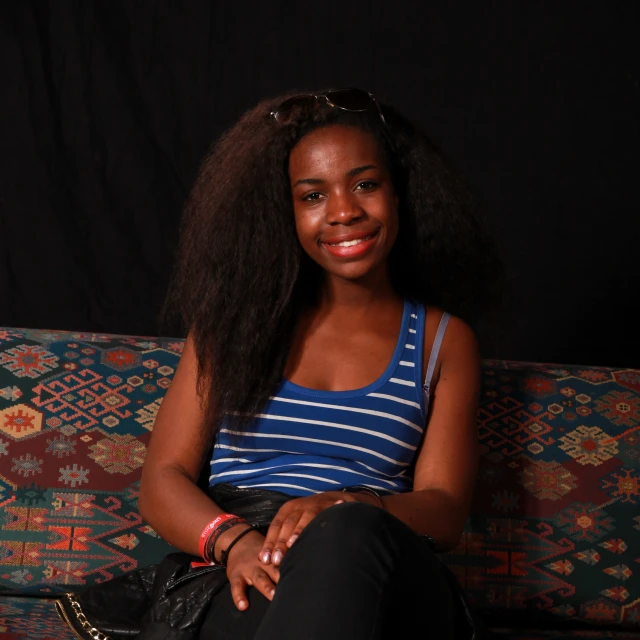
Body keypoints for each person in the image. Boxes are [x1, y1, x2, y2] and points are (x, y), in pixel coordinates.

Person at [138, 88, 505, 639]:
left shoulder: (442, 341)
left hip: (383, 564)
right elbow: (161, 480)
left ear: (400, 192)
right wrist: (235, 542)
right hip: (246, 563)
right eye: (313, 196)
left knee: (345, 535)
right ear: (282, 212)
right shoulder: (229, 327)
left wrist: (352, 504)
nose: (343, 212)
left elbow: (446, 511)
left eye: (365, 184)